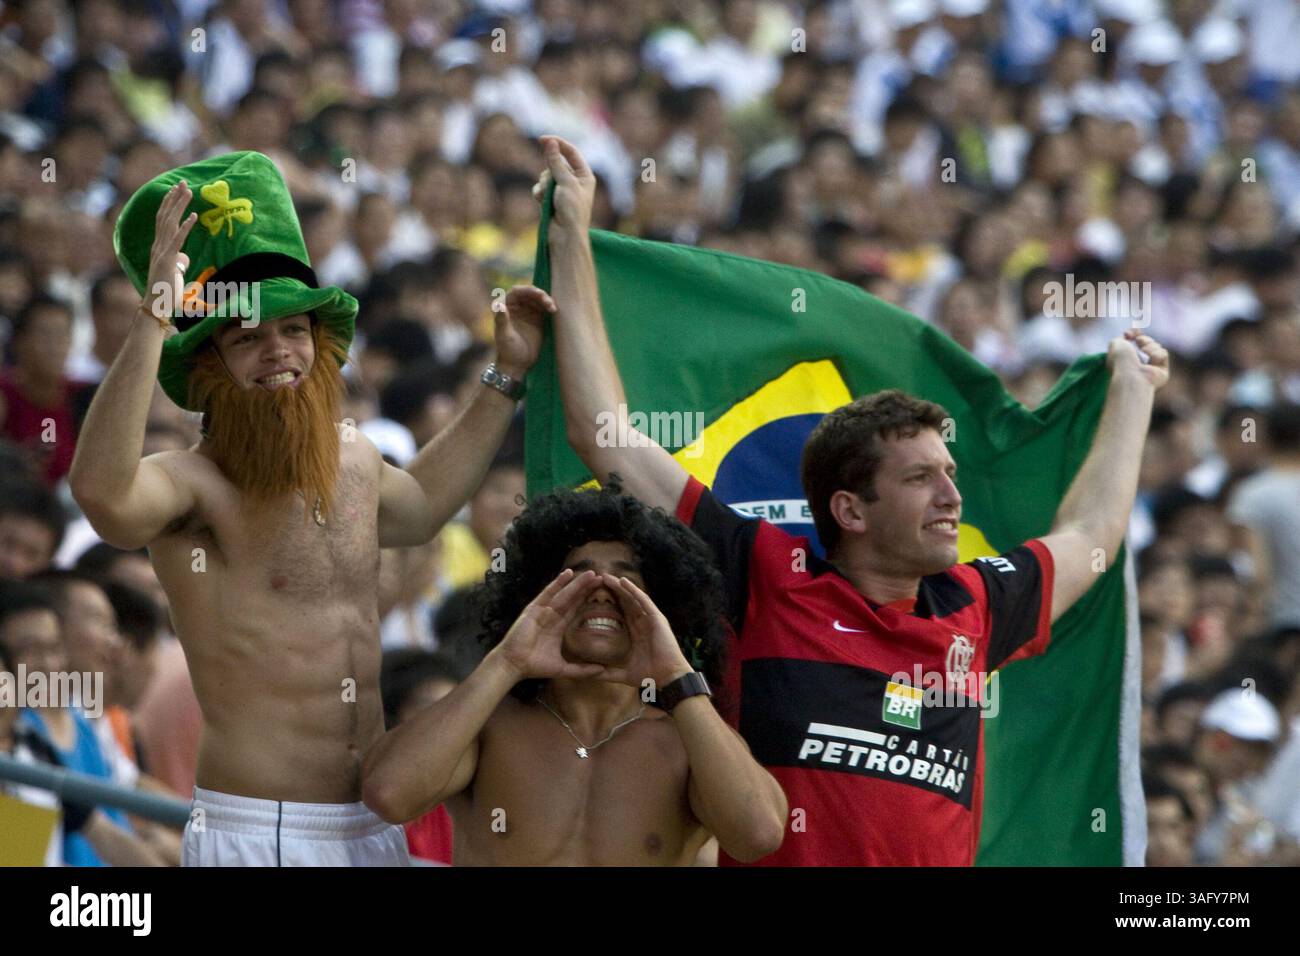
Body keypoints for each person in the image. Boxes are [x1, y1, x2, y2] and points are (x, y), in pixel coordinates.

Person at [537, 134, 1172, 865]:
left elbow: (1094, 530)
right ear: (850, 511)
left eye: (951, 473)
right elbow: (603, 436)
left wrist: (1132, 391)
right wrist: (572, 238)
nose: (951, 497)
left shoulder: (976, 603)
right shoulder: (767, 572)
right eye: (920, 478)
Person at [69, 151, 549, 866]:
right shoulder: (192, 488)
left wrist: (504, 377)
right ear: (210, 367)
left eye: (295, 331)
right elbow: (104, 496)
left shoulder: (352, 457)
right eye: (248, 337)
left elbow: (418, 509)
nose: (279, 353)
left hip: (374, 820)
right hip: (258, 828)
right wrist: (153, 319)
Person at [363, 485, 788, 865]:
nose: (601, 588)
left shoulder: (687, 741)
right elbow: (389, 794)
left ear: (665, 607)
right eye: (578, 576)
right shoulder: (489, 724)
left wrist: (675, 673)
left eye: (626, 580)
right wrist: (508, 660)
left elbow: (759, 835)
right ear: (532, 599)